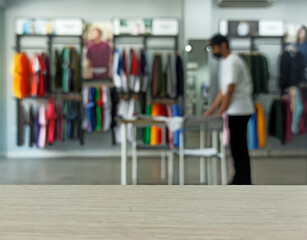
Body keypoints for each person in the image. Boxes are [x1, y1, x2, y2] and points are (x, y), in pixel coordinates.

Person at [204, 34, 254, 185]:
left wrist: (221, 112)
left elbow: (230, 89)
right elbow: (223, 90)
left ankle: (243, 180)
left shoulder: (233, 62)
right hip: (234, 111)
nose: (213, 51)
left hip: (240, 110)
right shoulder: (226, 62)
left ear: (223, 45)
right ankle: (240, 178)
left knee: (239, 148)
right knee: (236, 147)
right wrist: (212, 109)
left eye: (214, 47)